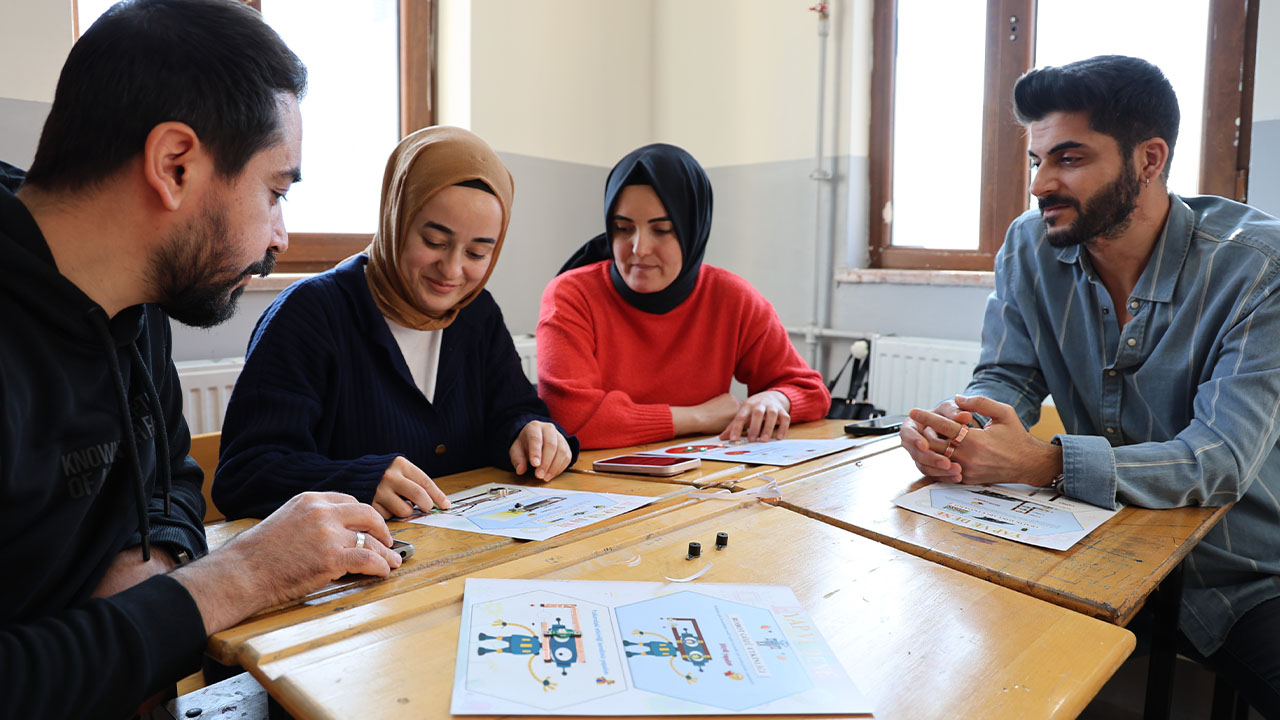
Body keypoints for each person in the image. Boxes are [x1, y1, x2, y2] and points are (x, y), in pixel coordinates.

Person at [0, 2, 407, 717]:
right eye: (275, 191)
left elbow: (176, 480)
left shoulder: (142, 298)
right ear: (175, 165)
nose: (281, 234)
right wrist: (234, 578)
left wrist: (153, 575)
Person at [900, 55, 1280, 713]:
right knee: (937, 661)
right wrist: (963, 427)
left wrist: (1045, 463)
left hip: (1242, 573)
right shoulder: (1029, 245)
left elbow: (1219, 461)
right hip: (1090, 546)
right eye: (1036, 160)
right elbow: (1008, 373)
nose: (1041, 183)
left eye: (1069, 159)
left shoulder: (1257, 270)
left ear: (1149, 160)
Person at [213, 126, 579, 521]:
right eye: (435, 242)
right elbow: (246, 475)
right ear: (396, 219)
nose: (452, 270)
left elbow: (511, 409)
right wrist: (359, 480)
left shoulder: (477, 313)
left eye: (477, 252)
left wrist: (529, 431)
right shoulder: (309, 314)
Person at [537, 143, 831, 450]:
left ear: (693, 230)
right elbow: (571, 421)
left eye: (662, 230)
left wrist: (775, 398)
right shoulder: (571, 295)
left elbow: (811, 392)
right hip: (594, 483)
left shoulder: (732, 298)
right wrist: (701, 417)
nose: (639, 249)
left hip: (701, 478)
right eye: (623, 229)